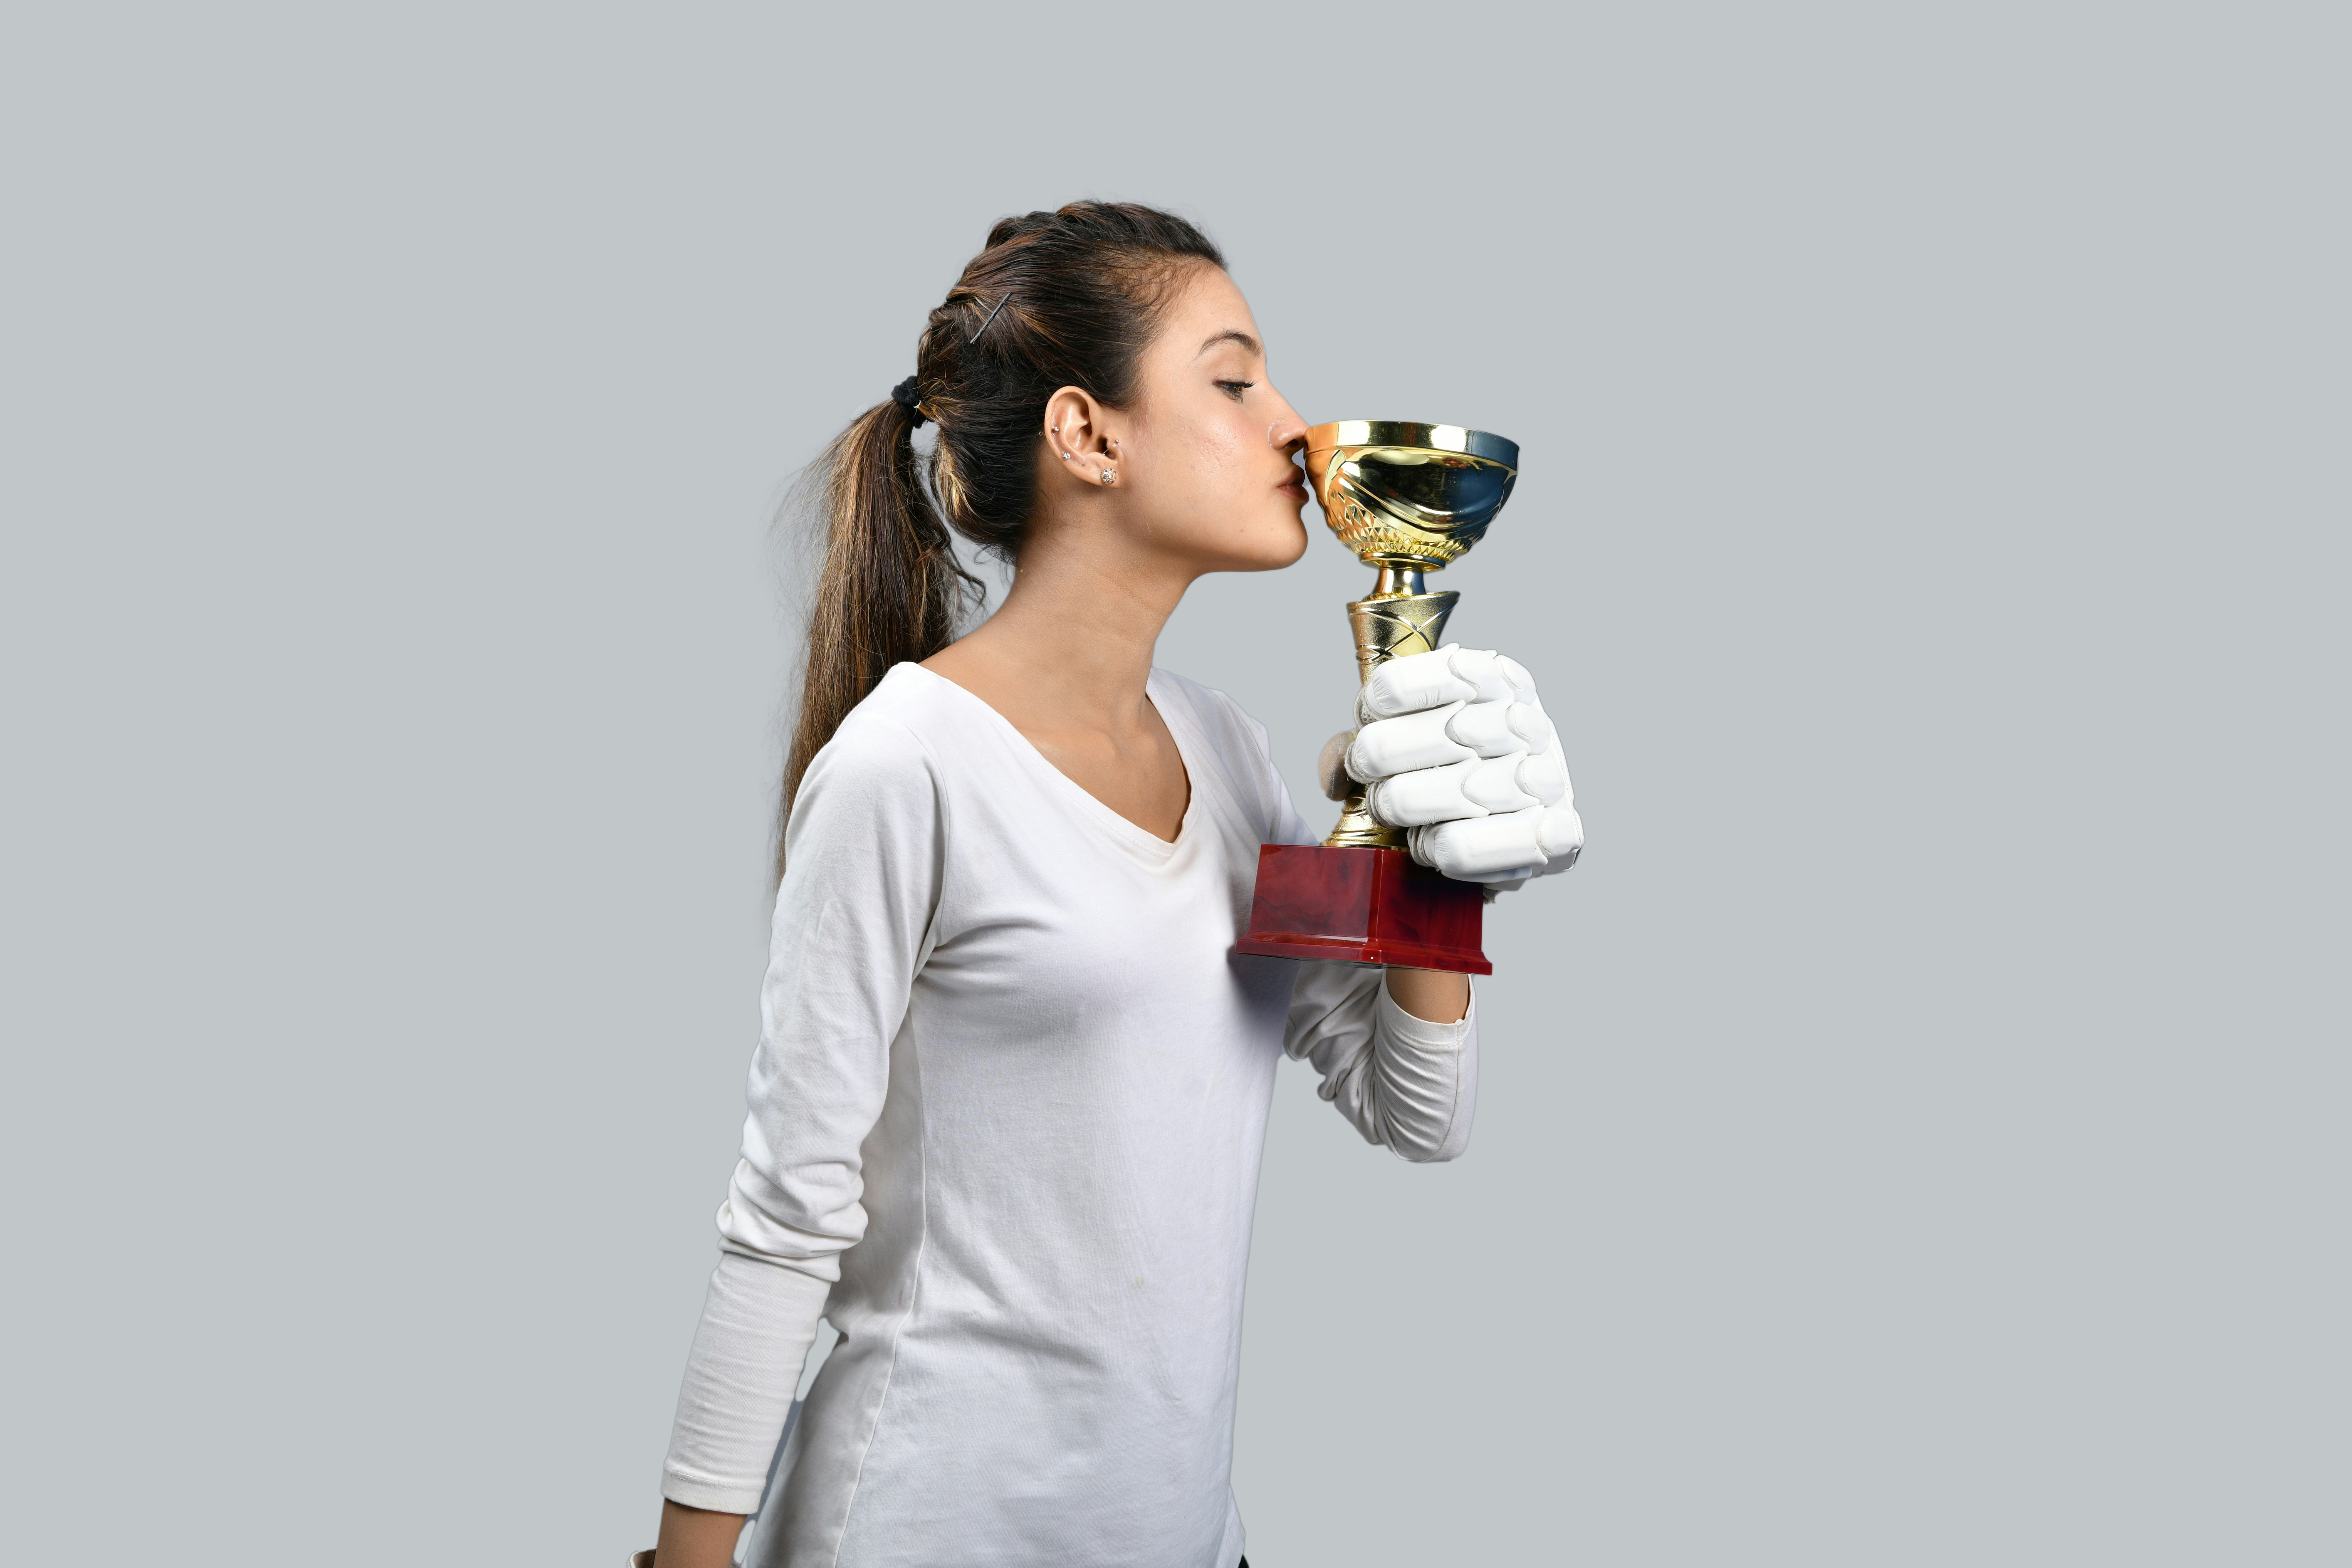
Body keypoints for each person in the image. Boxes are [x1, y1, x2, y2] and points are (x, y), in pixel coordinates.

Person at [643, 202, 1581, 1568]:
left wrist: (1443, 862)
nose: (1294, 429)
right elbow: (784, 1222)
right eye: (1234, 378)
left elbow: (1410, 1110)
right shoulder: (906, 768)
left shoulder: (1233, 753)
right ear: (1087, 434)